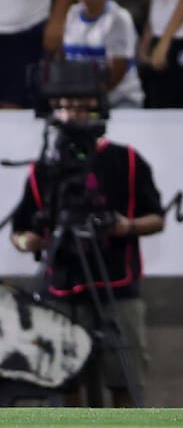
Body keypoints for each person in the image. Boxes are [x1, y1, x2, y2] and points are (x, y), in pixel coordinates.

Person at [8, 95, 164, 406]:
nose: (73, 115)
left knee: (124, 376)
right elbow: (19, 232)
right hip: (61, 288)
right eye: (66, 107)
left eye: (81, 107)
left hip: (116, 286)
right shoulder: (45, 169)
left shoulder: (127, 160)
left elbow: (157, 218)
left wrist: (126, 226)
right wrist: (32, 243)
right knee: (63, 383)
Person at [63, 0, 144, 109]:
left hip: (120, 98)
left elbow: (116, 73)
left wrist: (89, 99)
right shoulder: (71, 15)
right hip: (81, 101)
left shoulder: (119, 19)